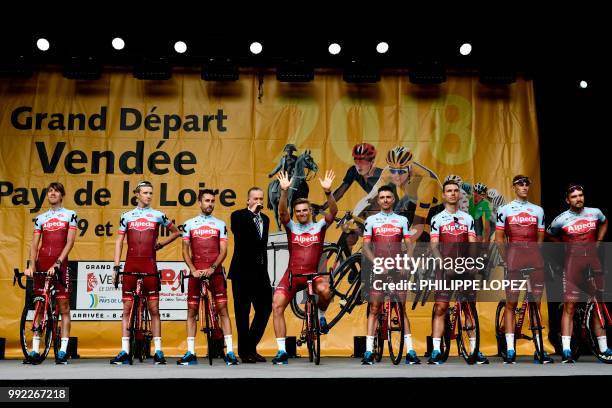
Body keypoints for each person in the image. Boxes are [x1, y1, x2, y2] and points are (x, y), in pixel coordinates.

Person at [271, 170, 338, 365]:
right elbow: (282, 212)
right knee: (276, 306)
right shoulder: (291, 226)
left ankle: (321, 314)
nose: (301, 213)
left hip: (313, 275)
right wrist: (284, 192)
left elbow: (333, 212)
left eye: (304, 210)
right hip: (293, 275)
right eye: (298, 211)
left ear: (310, 211)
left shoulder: (319, 227)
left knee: (326, 292)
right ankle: (282, 351)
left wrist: (328, 192)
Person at [110, 181, 181, 365]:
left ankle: (158, 351)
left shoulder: (158, 215)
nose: (149, 196)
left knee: (154, 310)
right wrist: (116, 267)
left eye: (151, 192)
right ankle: (124, 351)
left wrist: (161, 244)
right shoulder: (127, 216)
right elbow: (119, 241)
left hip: (149, 266)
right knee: (126, 310)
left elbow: (175, 232)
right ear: (137, 194)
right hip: (131, 267)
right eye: (145, 192)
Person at [428, 179, 489, 365]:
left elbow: (472, 243)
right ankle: (436, 351)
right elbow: (434, 246)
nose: (453, 193)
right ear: (444, 195)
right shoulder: (437, 219)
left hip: (464, 268)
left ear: (459, 194)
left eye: (456, 190)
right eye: (449, 191)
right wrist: (443, 265)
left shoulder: (468, 218)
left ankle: (474, 349)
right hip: (444, 268)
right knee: (441, 307)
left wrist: (473, 263)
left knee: (469, 308)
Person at [546, 184, 609, 363]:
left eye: (580, 195)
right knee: (570, 306)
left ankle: (604, 348)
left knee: (598, 304)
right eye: (574, 196)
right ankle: (566, 350)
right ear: (568, 200)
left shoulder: (595, 212)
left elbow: (605, 222)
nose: (578, 199)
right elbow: (549, 234)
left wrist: (599, 240)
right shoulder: (561, 219)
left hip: (593, 263)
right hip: (573, 265)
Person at [495, 175, 553, 364]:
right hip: (514, 260)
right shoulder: (504, 209)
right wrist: (506, 259)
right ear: (514, 187)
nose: (525, 186)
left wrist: (535, 253)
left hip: (534, 260)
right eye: (520, 184)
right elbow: (499, 238)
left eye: (527, 183)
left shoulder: (538, 210)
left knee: (536, 304)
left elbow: (541, 236)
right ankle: (511, 349)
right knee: (511, 304)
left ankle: (540, 349)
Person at [360, 185, 421, 365]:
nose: (385, 200)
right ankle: (369, 352)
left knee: (401, 309)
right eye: (382, 197)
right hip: (379, 268)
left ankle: (410, 351)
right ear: (378, 200)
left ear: (393, 199)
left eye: (388, 197)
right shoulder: (371, 221)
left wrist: (405, 262)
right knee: (374, 309)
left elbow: (409, 245)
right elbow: (365, 247)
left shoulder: (402, 220)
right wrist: (377, 263)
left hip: (397, 269)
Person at [178, 189, 238, 365]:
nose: (210, 204)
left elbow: (224, 250)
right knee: (192, 311)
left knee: (223, 310)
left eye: (212, 201)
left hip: (215, 272)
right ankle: (191, 352)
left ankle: (231, 352)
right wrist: (193, 269)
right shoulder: (189, 224)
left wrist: (213, 267)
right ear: (199, 202)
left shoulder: (220, 224)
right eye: (207, 201)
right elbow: (185, 250)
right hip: (196, 272)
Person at [24, 182, 77, 365]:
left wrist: (58, 263)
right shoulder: (41, 218)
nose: (52, 193)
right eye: (50, 191)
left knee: (64, 307)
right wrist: (31, 265)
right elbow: (34, 244)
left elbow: (70, 243)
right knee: (39, 307)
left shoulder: (70, 215)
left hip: (59, 264)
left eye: (56, 191)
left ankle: (62, 351)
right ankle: (35, 350)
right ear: (47, 195)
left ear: (62, 195)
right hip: (42, 263)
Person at [356, 146, 442, 241]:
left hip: (436, 207)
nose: (396, 176)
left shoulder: (426, 181)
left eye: (401, 171)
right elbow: (370, 196)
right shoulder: (388, 171)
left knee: (417, 240)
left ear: (410, 168)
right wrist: (354, 214)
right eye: (393, 171)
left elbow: (418, 226)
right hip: (413, 200)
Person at [228, 187, 271, 363]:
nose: (258, 201)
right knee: (242, 313)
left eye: (261, 198)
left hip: (260, 273)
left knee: (265, 309)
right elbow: (240, 237)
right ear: (248, 200)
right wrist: (251, 214)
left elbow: (261, 245)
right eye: (255, 198)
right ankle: (245, 353)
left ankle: (250, 347)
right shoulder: (238, 216)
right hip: (242, 273)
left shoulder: (266, 219)